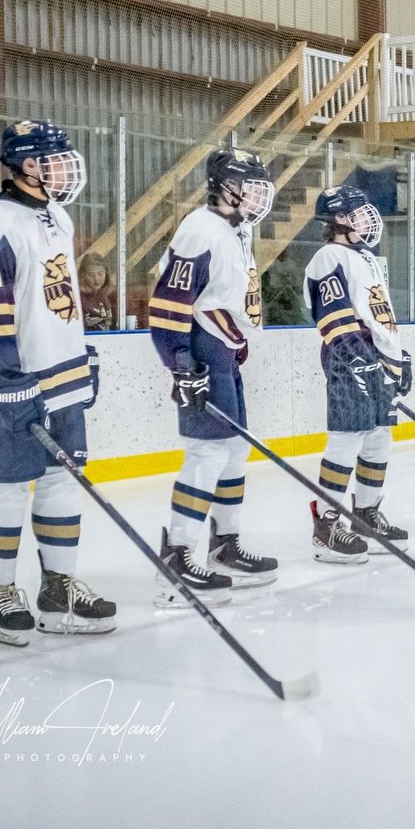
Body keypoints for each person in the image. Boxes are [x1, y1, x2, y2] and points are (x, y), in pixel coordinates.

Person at [0, 120, 114, 645]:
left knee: (61, 480)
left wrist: (78, 354)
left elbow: (54, 299)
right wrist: (7, 376)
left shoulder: (57, 218)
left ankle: (57, 587)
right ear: (26, 166)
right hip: (10, 384)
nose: (66, 167)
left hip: (61, 379)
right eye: (55, 158)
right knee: (4, 485)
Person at [150, 146, 279, 607]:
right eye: (249, 185)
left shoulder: (235, 229)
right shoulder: (200, 230)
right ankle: (178, 554)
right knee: (206, 453)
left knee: (233, 450)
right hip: (202, 350)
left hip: (222, 349)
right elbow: (168, 304)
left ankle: (224, 546)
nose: (258, 193)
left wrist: (236, 342)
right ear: (224, 186)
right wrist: (181, 363)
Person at [303, 186, 411, 563]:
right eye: (355, 213)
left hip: (376, 359)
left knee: (379, 438)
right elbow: (333, 315)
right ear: (336, 221)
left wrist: (399, 356)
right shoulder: (328, 256)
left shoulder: (364, 257)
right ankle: (327, 526)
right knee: (346, 440)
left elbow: (378, 314)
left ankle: (366, 515)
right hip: (348, 359)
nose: (365, 219)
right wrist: (358, 358)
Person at [78, 252, 117, 331]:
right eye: (91, 275)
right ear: (83, 275)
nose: (96, 279)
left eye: (100, 274)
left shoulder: (111, 294)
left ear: (106, 273)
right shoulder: (79, 297)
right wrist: (85, 324)